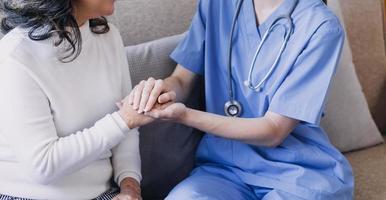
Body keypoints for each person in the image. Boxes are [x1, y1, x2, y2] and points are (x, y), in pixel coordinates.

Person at [125, 0, 354, 199]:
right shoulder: (216, 5)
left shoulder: (321, 27)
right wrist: (160, 90)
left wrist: (185, 115)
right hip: (223, 169)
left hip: (295, 172)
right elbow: (182, 80)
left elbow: (274, 131)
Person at [0, 0, 153, 199]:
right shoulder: (16, 55)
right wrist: (123, 120)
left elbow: (127, 131)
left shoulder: (108, 36)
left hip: (103, 193)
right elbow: (42, 166)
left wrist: (130, 187)